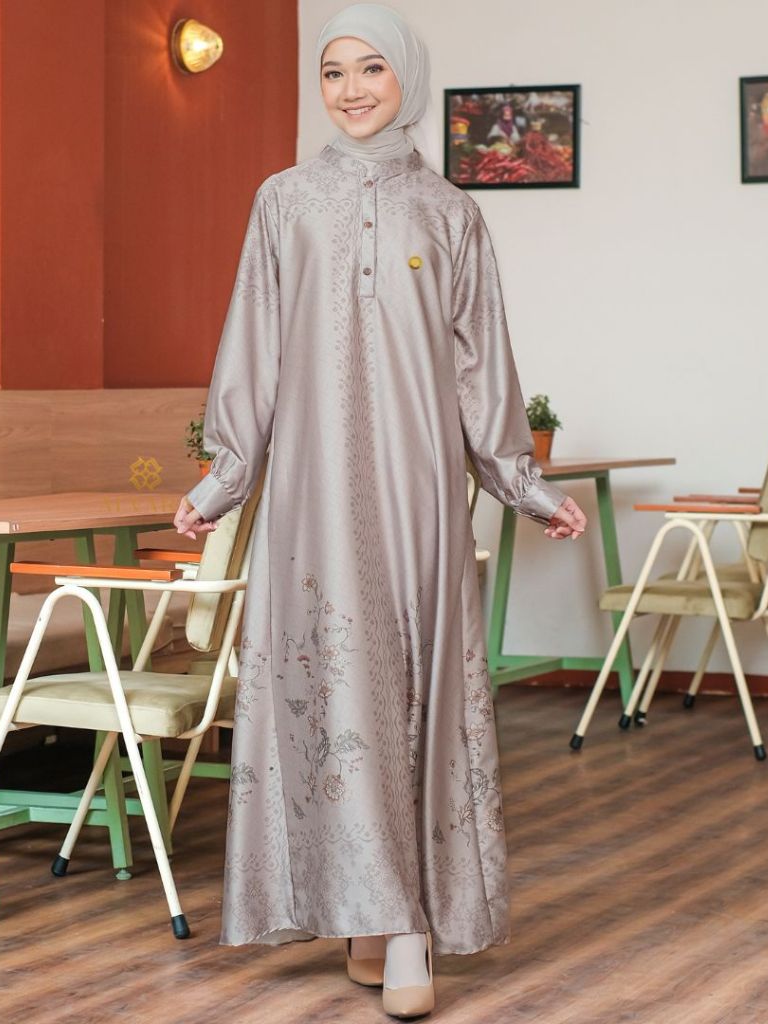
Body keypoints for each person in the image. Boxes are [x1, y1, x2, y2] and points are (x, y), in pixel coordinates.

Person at [173, 4, 587, 1018]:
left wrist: (523, 484)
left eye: (370, 69)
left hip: (418, 490)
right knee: (338, 687)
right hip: (312, 492)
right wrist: (225, 477)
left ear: (406, 77)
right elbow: (252, 345)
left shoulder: (450, 213)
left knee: (410, 688)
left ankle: (402, 923)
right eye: (332, 72)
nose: (351, 89)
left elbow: (481, 368)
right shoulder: (283, 202)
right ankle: (376, 919)